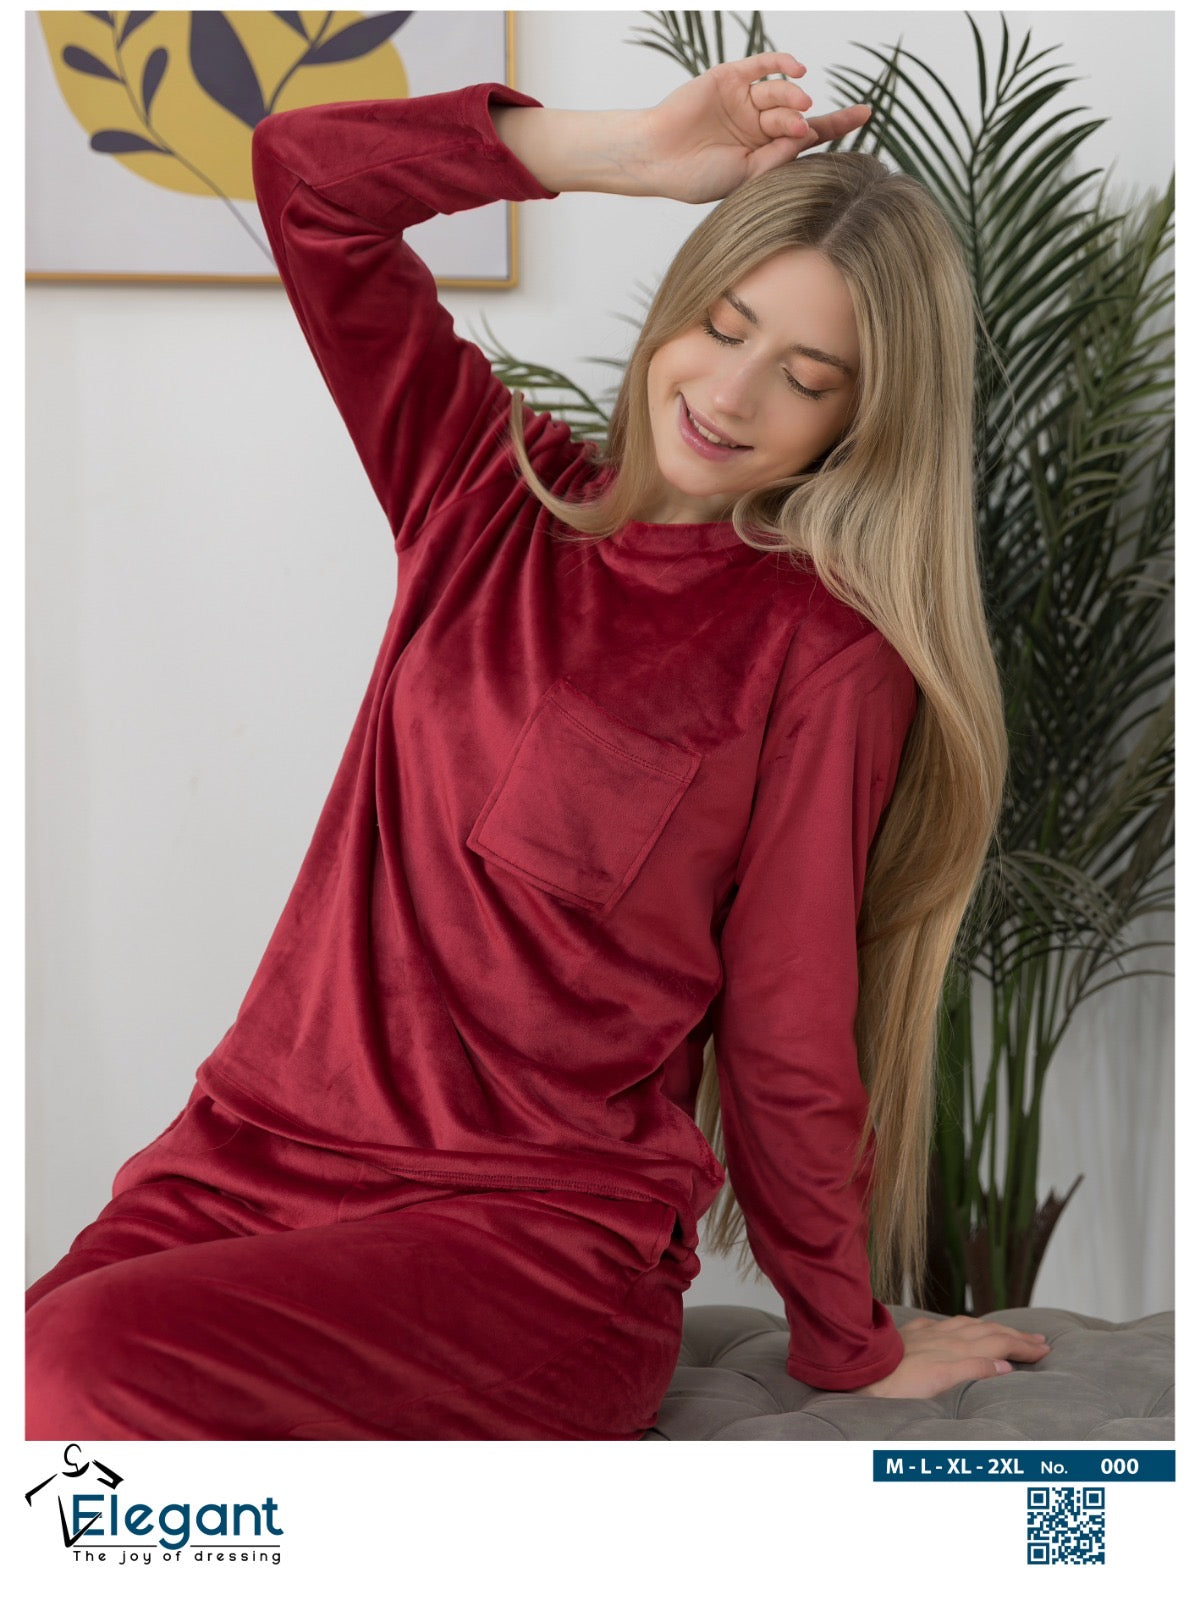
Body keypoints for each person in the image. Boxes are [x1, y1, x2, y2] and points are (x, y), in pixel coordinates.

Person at [26, 51, 1049, 1441]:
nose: (732, 393)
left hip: (533, 1246)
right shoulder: (482, 489)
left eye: (805, 378)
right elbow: (306, 184)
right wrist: (635, 153)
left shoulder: (823, 650)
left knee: (68, 1370)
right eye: (725, 326)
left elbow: (789, 1018)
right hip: (242, 1162)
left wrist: (843, 1337)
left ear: (855, 425)